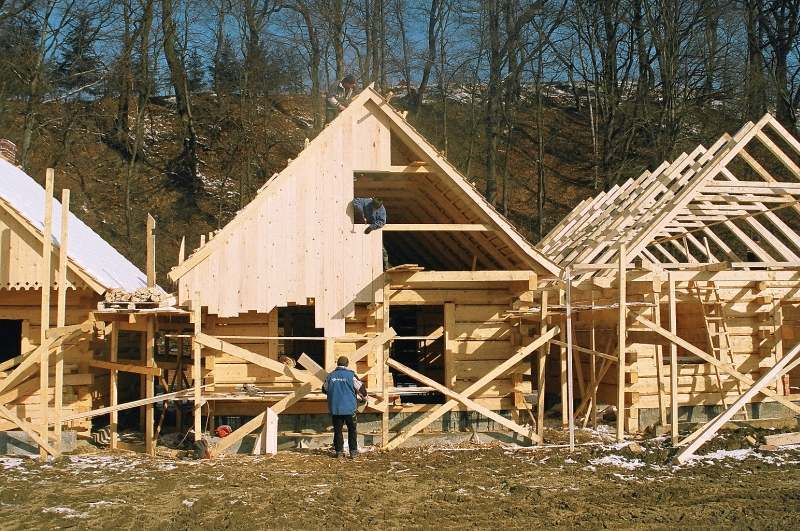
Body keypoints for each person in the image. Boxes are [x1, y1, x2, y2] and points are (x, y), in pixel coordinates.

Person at [322, 356, 367, 458]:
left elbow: (324, 389)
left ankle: (339, 452)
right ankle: (353, 452)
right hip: (349, 408)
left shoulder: (330, 376)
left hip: (335, 407)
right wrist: (365, 398)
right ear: (347, 364)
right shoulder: (351, 376)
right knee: (352, 429)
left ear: (337, 364)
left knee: (337, 430)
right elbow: (361, 389)